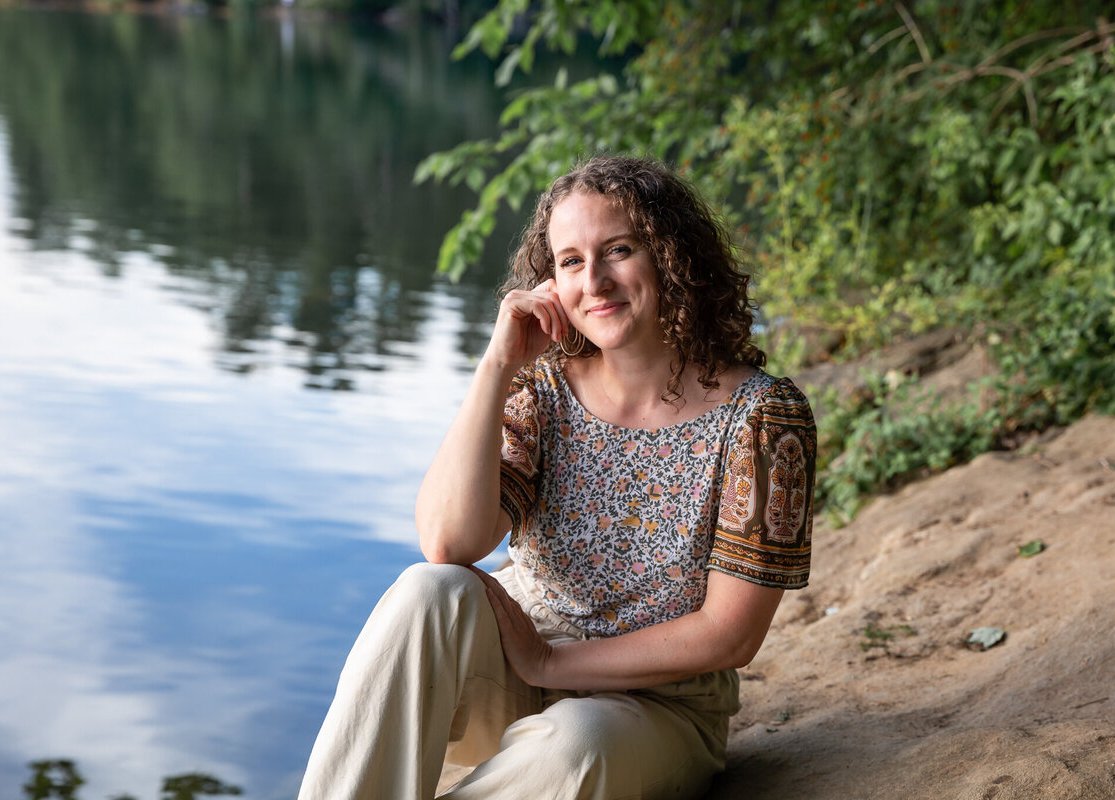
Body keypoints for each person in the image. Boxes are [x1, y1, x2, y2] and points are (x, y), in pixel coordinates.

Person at [296, 155, 817, 800]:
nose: (594, 281)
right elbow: (450, 544)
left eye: (618, 250)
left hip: (655, 710)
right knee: (426, 590)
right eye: (570, 261)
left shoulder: (763, 416)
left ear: (672, 257)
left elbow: (731, 633)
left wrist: (555, 663)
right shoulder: (543, 391)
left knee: (577, 745)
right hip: (513, 675)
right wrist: (497, 367)